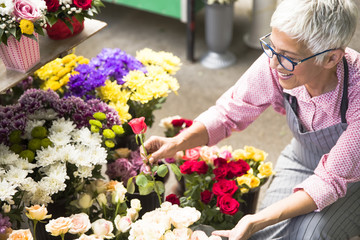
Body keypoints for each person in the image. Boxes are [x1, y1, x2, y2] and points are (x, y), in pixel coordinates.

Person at [143, 0, 360, 239]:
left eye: (288, 56)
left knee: (311, 233)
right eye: (272, 47)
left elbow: (331, 180)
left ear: (330, 59)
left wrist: (255, 219)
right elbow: (228, 113)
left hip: (353, 180)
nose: (274, 63)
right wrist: (177, 142)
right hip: (302, 160)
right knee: (265, 234)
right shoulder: (278, 61)